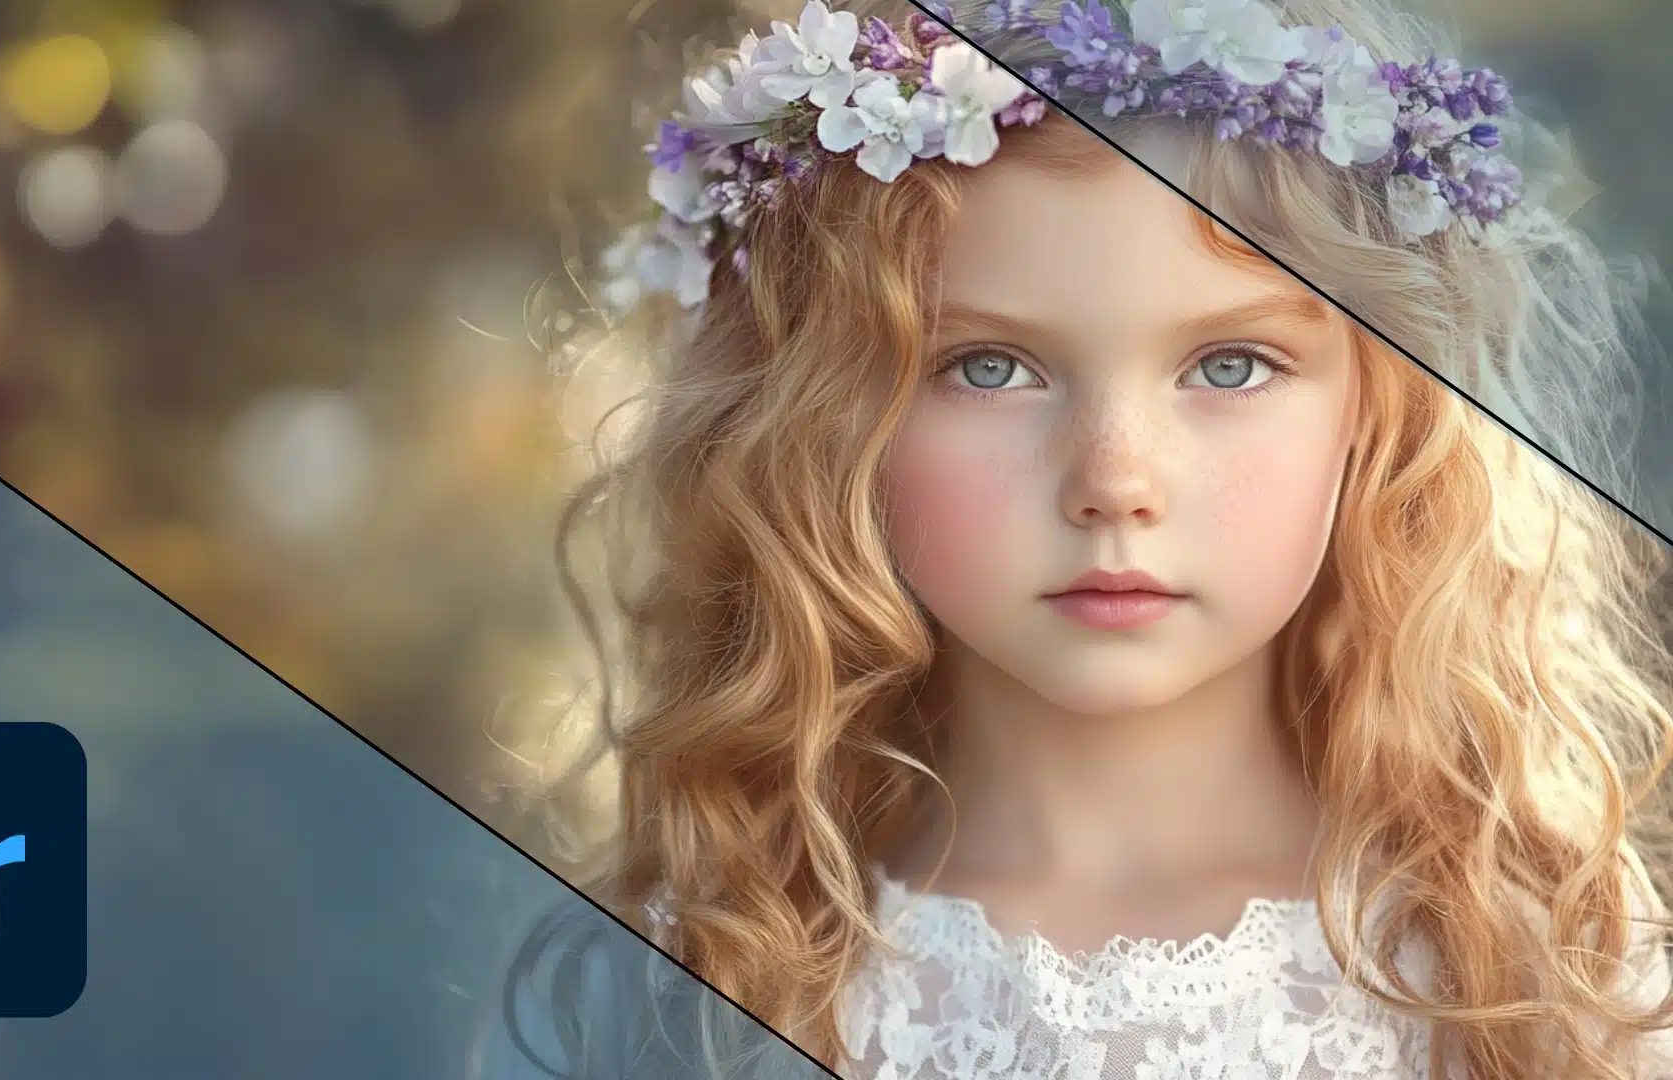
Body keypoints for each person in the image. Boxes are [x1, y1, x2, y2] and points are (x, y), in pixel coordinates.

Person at [484, 2, 1673, 1078]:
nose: (1115, 481)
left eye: (1230, 364)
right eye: (989, 368)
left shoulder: (1545, 988)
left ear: (1380, 412)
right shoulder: (703, 986)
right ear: (825, 418)